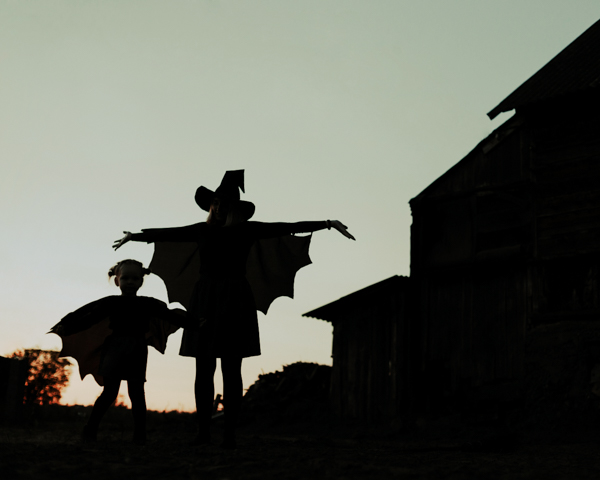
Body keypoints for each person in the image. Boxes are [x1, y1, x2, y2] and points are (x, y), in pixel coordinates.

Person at [113, 170, 354, 448]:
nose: (218, 207)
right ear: (211, 205)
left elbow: (285, 226)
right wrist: (134, 236)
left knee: (231, 367)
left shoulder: (248, 230)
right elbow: (169, 234)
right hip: (204, 299)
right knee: (203, 368)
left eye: (224, 203)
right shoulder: (201, 230)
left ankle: (229, 435)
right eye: (215, 203)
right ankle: (203, 433)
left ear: (234, 208)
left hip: (237, 300)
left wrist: (327, 223)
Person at [51, 259, 186, 445]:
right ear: (117, 281)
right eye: (125, 278)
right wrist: (66, 327)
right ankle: (90, 430)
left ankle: (140, 435)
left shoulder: (149, 304)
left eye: (134, 278)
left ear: (141, 281)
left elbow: (170, 315)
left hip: (137, 349)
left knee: (137, 392)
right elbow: (88, 316)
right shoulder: (110, 303)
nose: (130, 282)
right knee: (109, 392)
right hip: (115, 348)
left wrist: (195, 324)